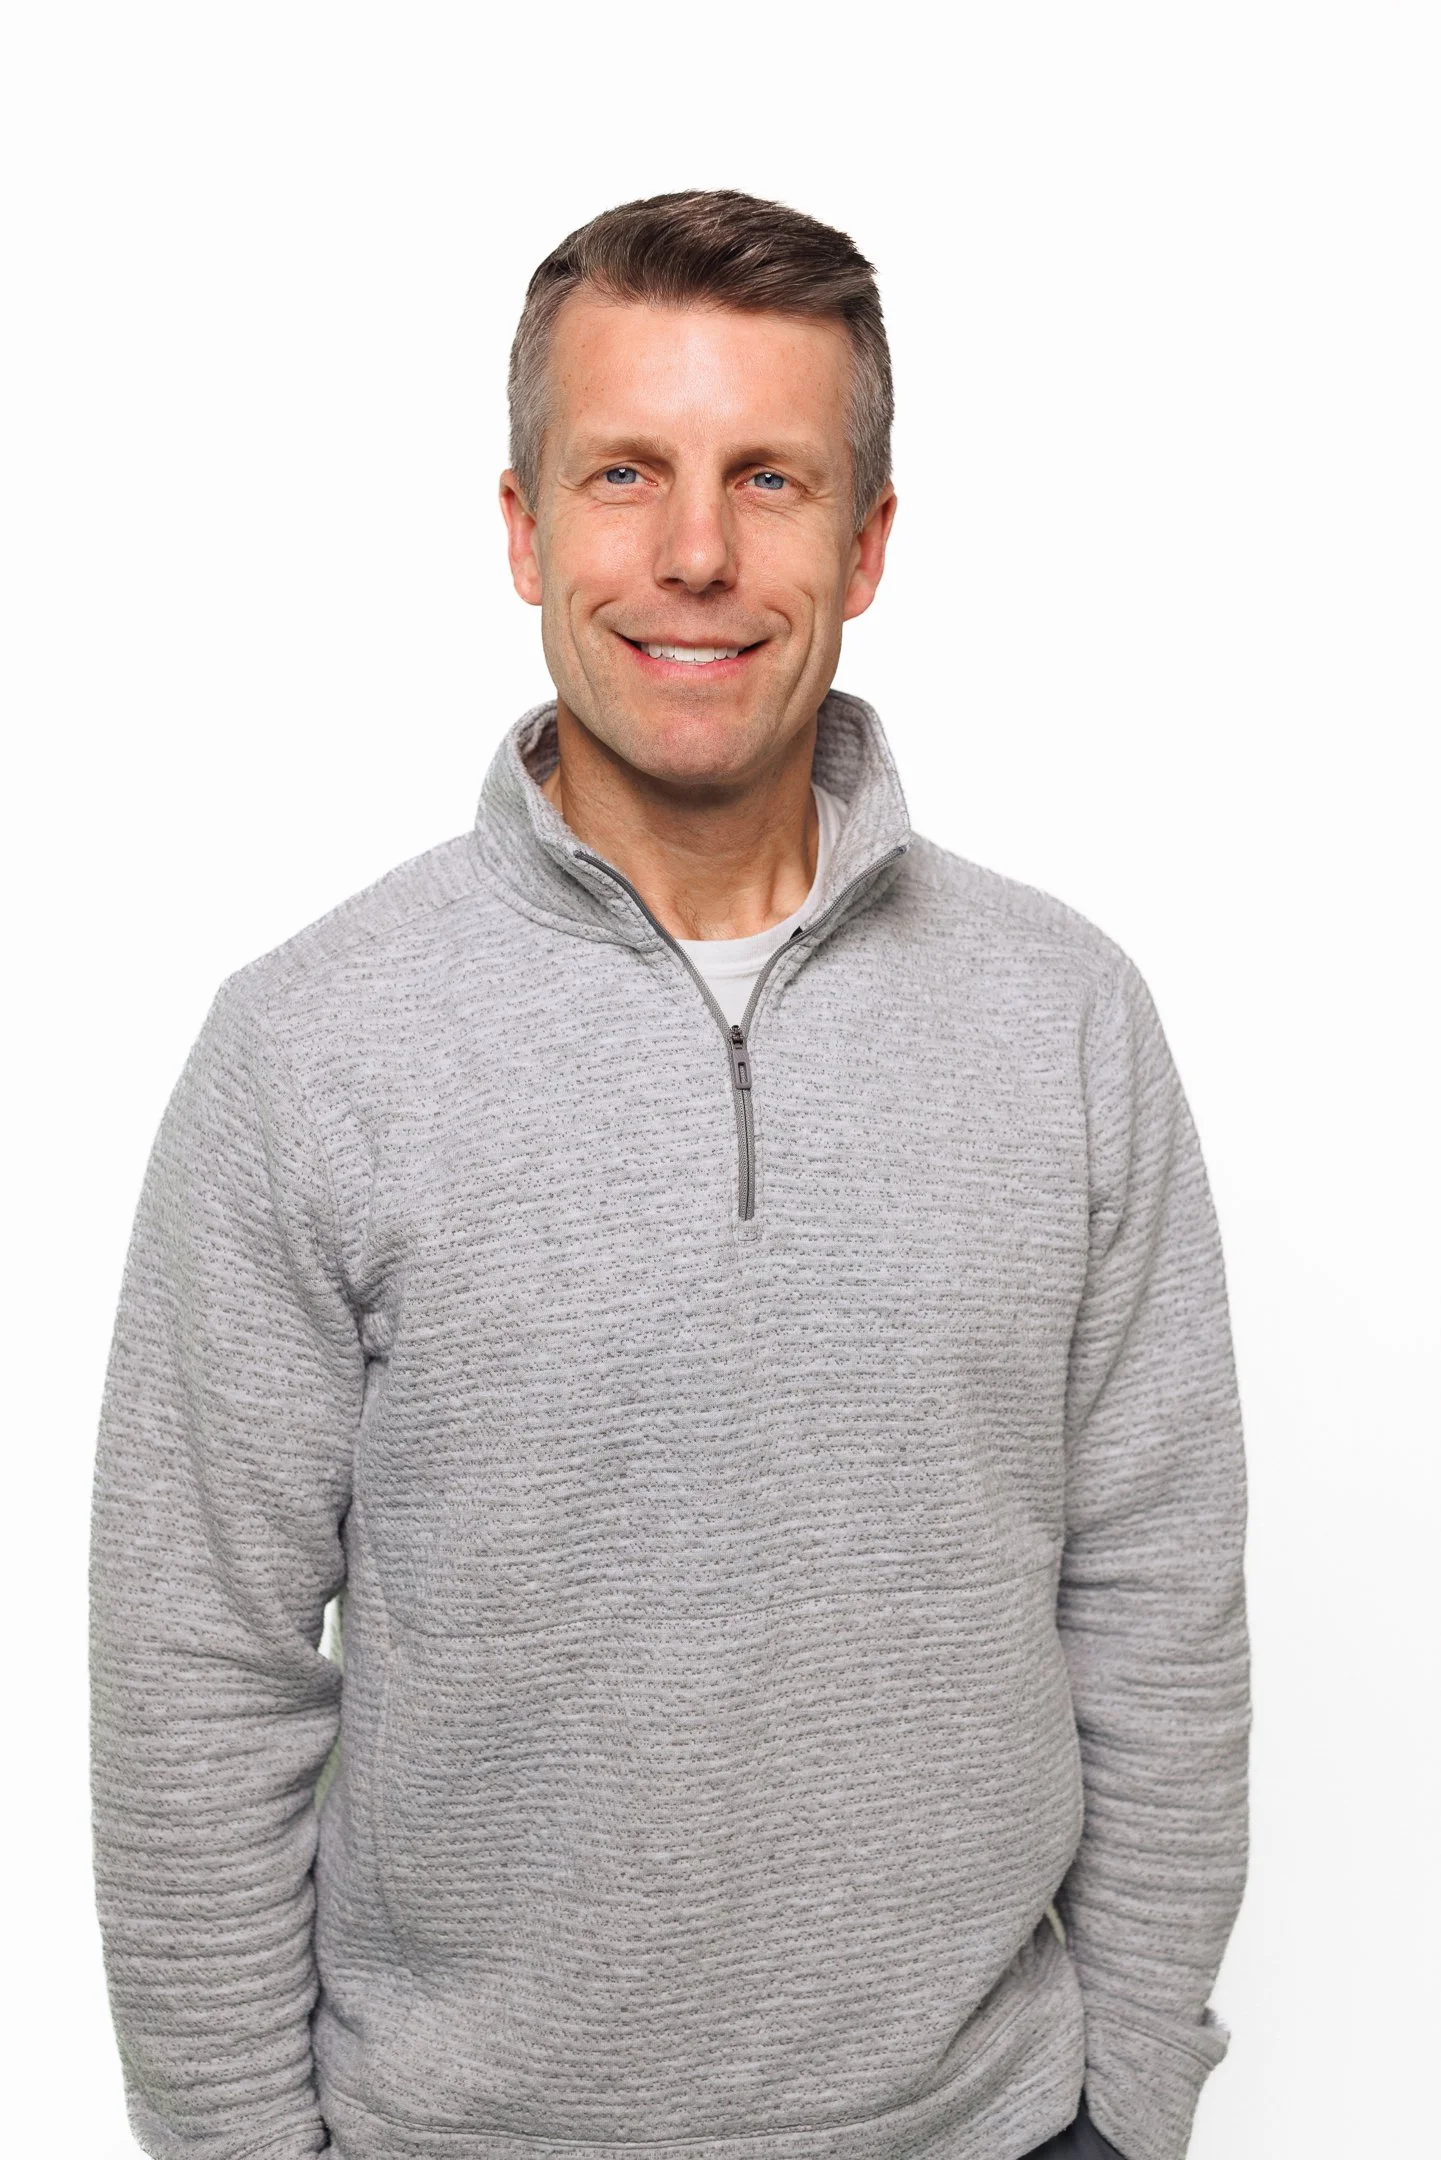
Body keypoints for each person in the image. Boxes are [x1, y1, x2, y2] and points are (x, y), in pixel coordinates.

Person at [90, 190, 1250, 2160]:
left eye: (771, 478)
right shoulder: (306, 1048)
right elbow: (195, 1664)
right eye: (625, 472)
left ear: (867, 543)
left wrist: (1128, 2107)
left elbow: (1154, 1600)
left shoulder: (1067, 1020)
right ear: (525, 528)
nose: (696, 553)